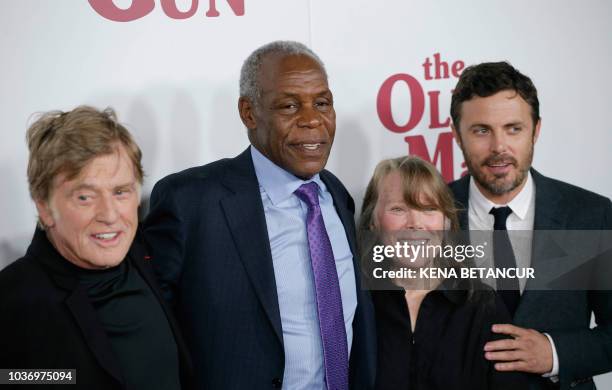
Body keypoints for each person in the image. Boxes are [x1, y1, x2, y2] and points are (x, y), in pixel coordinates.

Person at [144, 41, 376, 389]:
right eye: (289, 105)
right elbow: (149, 331)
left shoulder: (336, 194)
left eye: (323, 103)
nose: (312, 120)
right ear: (249, 113)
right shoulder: (191, 202)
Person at [0, 106, 193, 389]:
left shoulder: (151, 253)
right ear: (44, 206)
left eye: (120, 192)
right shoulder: (12, 299)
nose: (110, 214)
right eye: (85, 197)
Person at [449, 61, 612, 389]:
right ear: (456, 134)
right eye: (481, 130)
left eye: (513, 128)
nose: (499, 147)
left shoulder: (591, 215)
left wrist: (555, 353)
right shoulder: (428, 216)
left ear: (535, 130)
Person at [359, 156, 527, 389]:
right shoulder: (355, 305)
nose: (415, 223)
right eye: (398, 209)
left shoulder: (482, 304)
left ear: (446, 222)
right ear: (373, 223)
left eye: (428, 209)